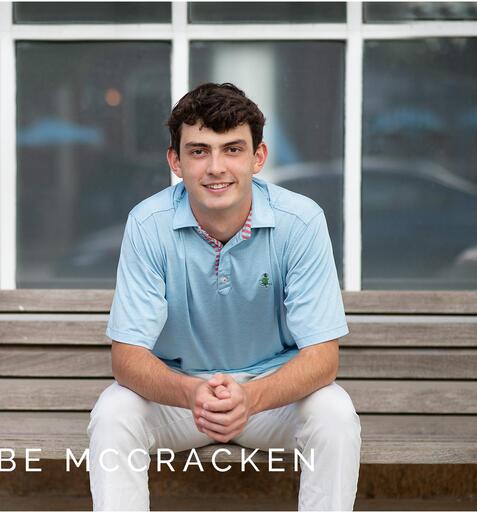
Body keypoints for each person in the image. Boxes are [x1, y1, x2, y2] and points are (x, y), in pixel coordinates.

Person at [87, 82, 361, 511]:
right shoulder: (147, 223)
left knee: (335, 412)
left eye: (232, 149)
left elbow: (323, 358)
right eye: (199, 151)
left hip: (271, 399)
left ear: (258, 157)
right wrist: (192, 393)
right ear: (175, 161)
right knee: (113, 412)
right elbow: (127, 358)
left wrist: (250, 398)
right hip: (183, 398)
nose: (216, 167)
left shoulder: (302, 221)